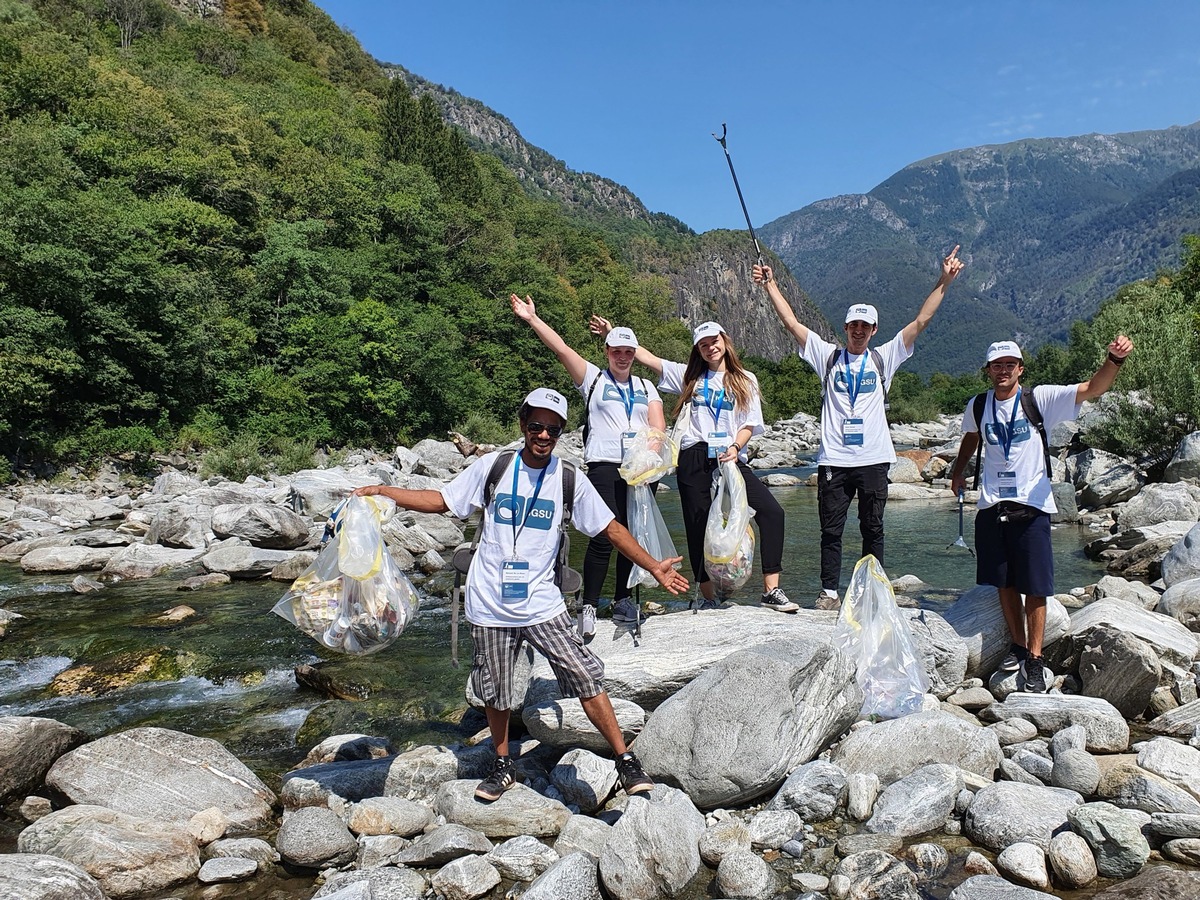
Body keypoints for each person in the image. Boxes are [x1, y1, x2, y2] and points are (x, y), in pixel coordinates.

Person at [354, 388, 688, 801]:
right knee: (495, 689)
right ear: (523, 425)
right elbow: (442, 501)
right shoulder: (493, 467)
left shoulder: (569, 479)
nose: (543, 435)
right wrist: (385, 492)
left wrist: (653, 564)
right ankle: (502, 764)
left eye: (552, 429)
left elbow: (609, 528)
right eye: (536, 426)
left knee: (584, 673)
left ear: (561, 433)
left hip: (542, 602)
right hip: (489, 602)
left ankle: (624, 760)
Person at [753, 247, 964, 605]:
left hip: (873, 459)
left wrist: (944, 281)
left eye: (865, 326)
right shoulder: (827, 356)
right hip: (835, 460)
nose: (859, 331)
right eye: (854, 326)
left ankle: (873, 591)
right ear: (846, 328)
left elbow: (921, 321)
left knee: (873, 529)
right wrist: (771, 285)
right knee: (831, 531)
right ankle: (829, 592)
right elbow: (791, 323)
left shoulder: (885, 357)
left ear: (874, 330)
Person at [949, 336, 1134, 692]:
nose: (1003, 371)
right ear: (988, 371)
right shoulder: (977, 405)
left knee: (1035, 587)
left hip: (1031, 506)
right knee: (1004, 582)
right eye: (996, 365)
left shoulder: (1040, 399)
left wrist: (1114, 360)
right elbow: (971, 437)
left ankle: (1035, 658)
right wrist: (959, 471)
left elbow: (1092, 389)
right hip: (991, 506)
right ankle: (1018, 645)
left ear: (1020, 369)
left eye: (1009, 365)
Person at [591, 317, 797, 612]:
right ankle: (709, 595)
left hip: (730, 456)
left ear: (724, 342)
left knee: (771, 512)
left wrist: (736, 446)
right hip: (694, 457)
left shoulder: (745, 379)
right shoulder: (690, 376)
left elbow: (749, 423)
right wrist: (615, 335)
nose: (710, 348)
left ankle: (771, 589)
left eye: (713, 341)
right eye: (703, 345)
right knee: (698, 525)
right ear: (698, 351)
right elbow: (649, 359)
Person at [510, 294, 666, 637]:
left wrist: (648, 458)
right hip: (604, 465)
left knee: (633, 534)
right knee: (603, 535)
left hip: (640, 469)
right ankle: (590, 605)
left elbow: (658, 427)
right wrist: (533, 319)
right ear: (607, 351)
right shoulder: (593, 379)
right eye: (616, 351)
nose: (622, 356)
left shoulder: (646, 386)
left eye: (628, 351)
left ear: (634, 354)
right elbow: (562, 349)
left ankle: (623, 599)